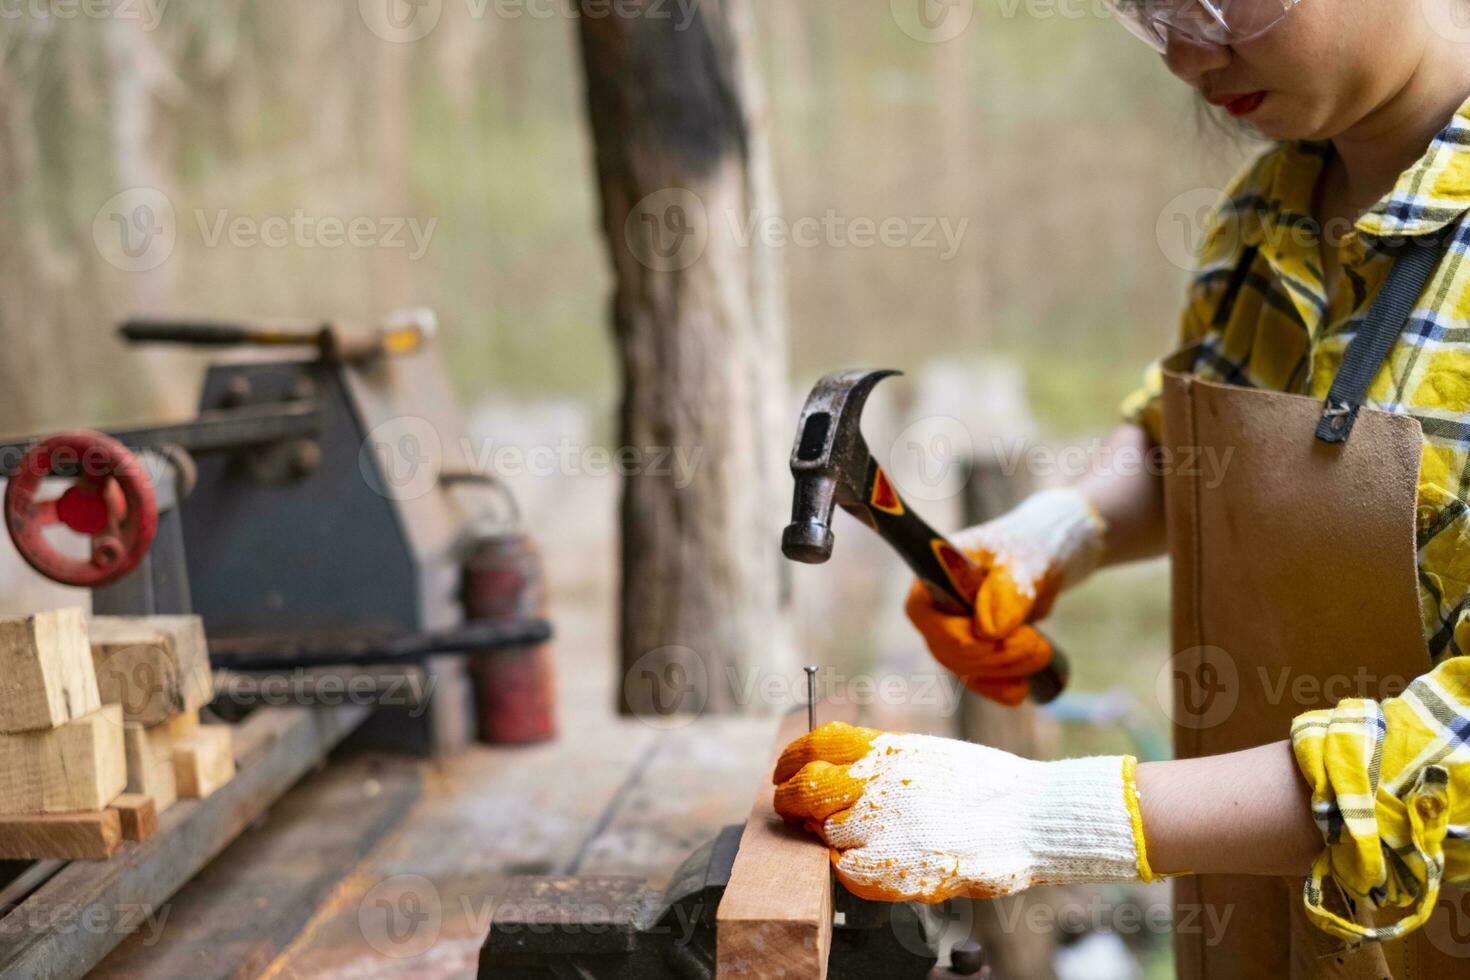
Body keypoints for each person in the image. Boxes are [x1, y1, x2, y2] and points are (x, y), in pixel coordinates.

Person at [772, 1, 1470, 976]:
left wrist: (1053, 814)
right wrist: (1061, 529)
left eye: (1222, 2)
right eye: (1152, 14)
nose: (1188, 54)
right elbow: (1195, 438)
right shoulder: (1270, 206)